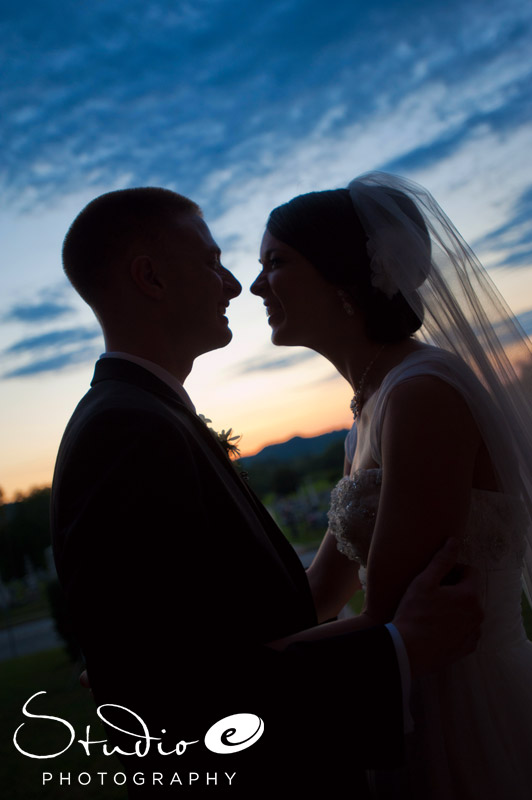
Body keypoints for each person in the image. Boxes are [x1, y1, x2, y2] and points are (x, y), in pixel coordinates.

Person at [51, 186, 481, 798]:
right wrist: (396, 646)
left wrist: (136, 674)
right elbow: (169, 706)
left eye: (267, 264)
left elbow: (242, 626)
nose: (236, 286)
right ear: (149, 277)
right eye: (212, 262)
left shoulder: (147, 418)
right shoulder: (128, 429)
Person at [250, 171, 532, 799]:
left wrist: (204, 687)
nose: (255, 284)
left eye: (276, 262)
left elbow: (387, 616)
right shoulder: (371, 408)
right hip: (405, 700)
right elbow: (322, 591)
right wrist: (183, 653)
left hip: (471, 709)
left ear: (342, 276)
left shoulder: (423, 394)